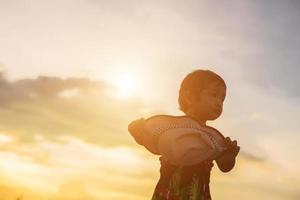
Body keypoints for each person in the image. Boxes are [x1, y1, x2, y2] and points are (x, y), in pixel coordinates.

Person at [128, 69, 240, 200]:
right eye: (214, 95)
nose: (219, 102)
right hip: (169, 194)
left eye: (222, 99)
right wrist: (138, 130)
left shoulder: (213, 140)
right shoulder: (170, 131)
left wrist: (229, 156)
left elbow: (225, 166)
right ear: (190, 97)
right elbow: (151, 142)